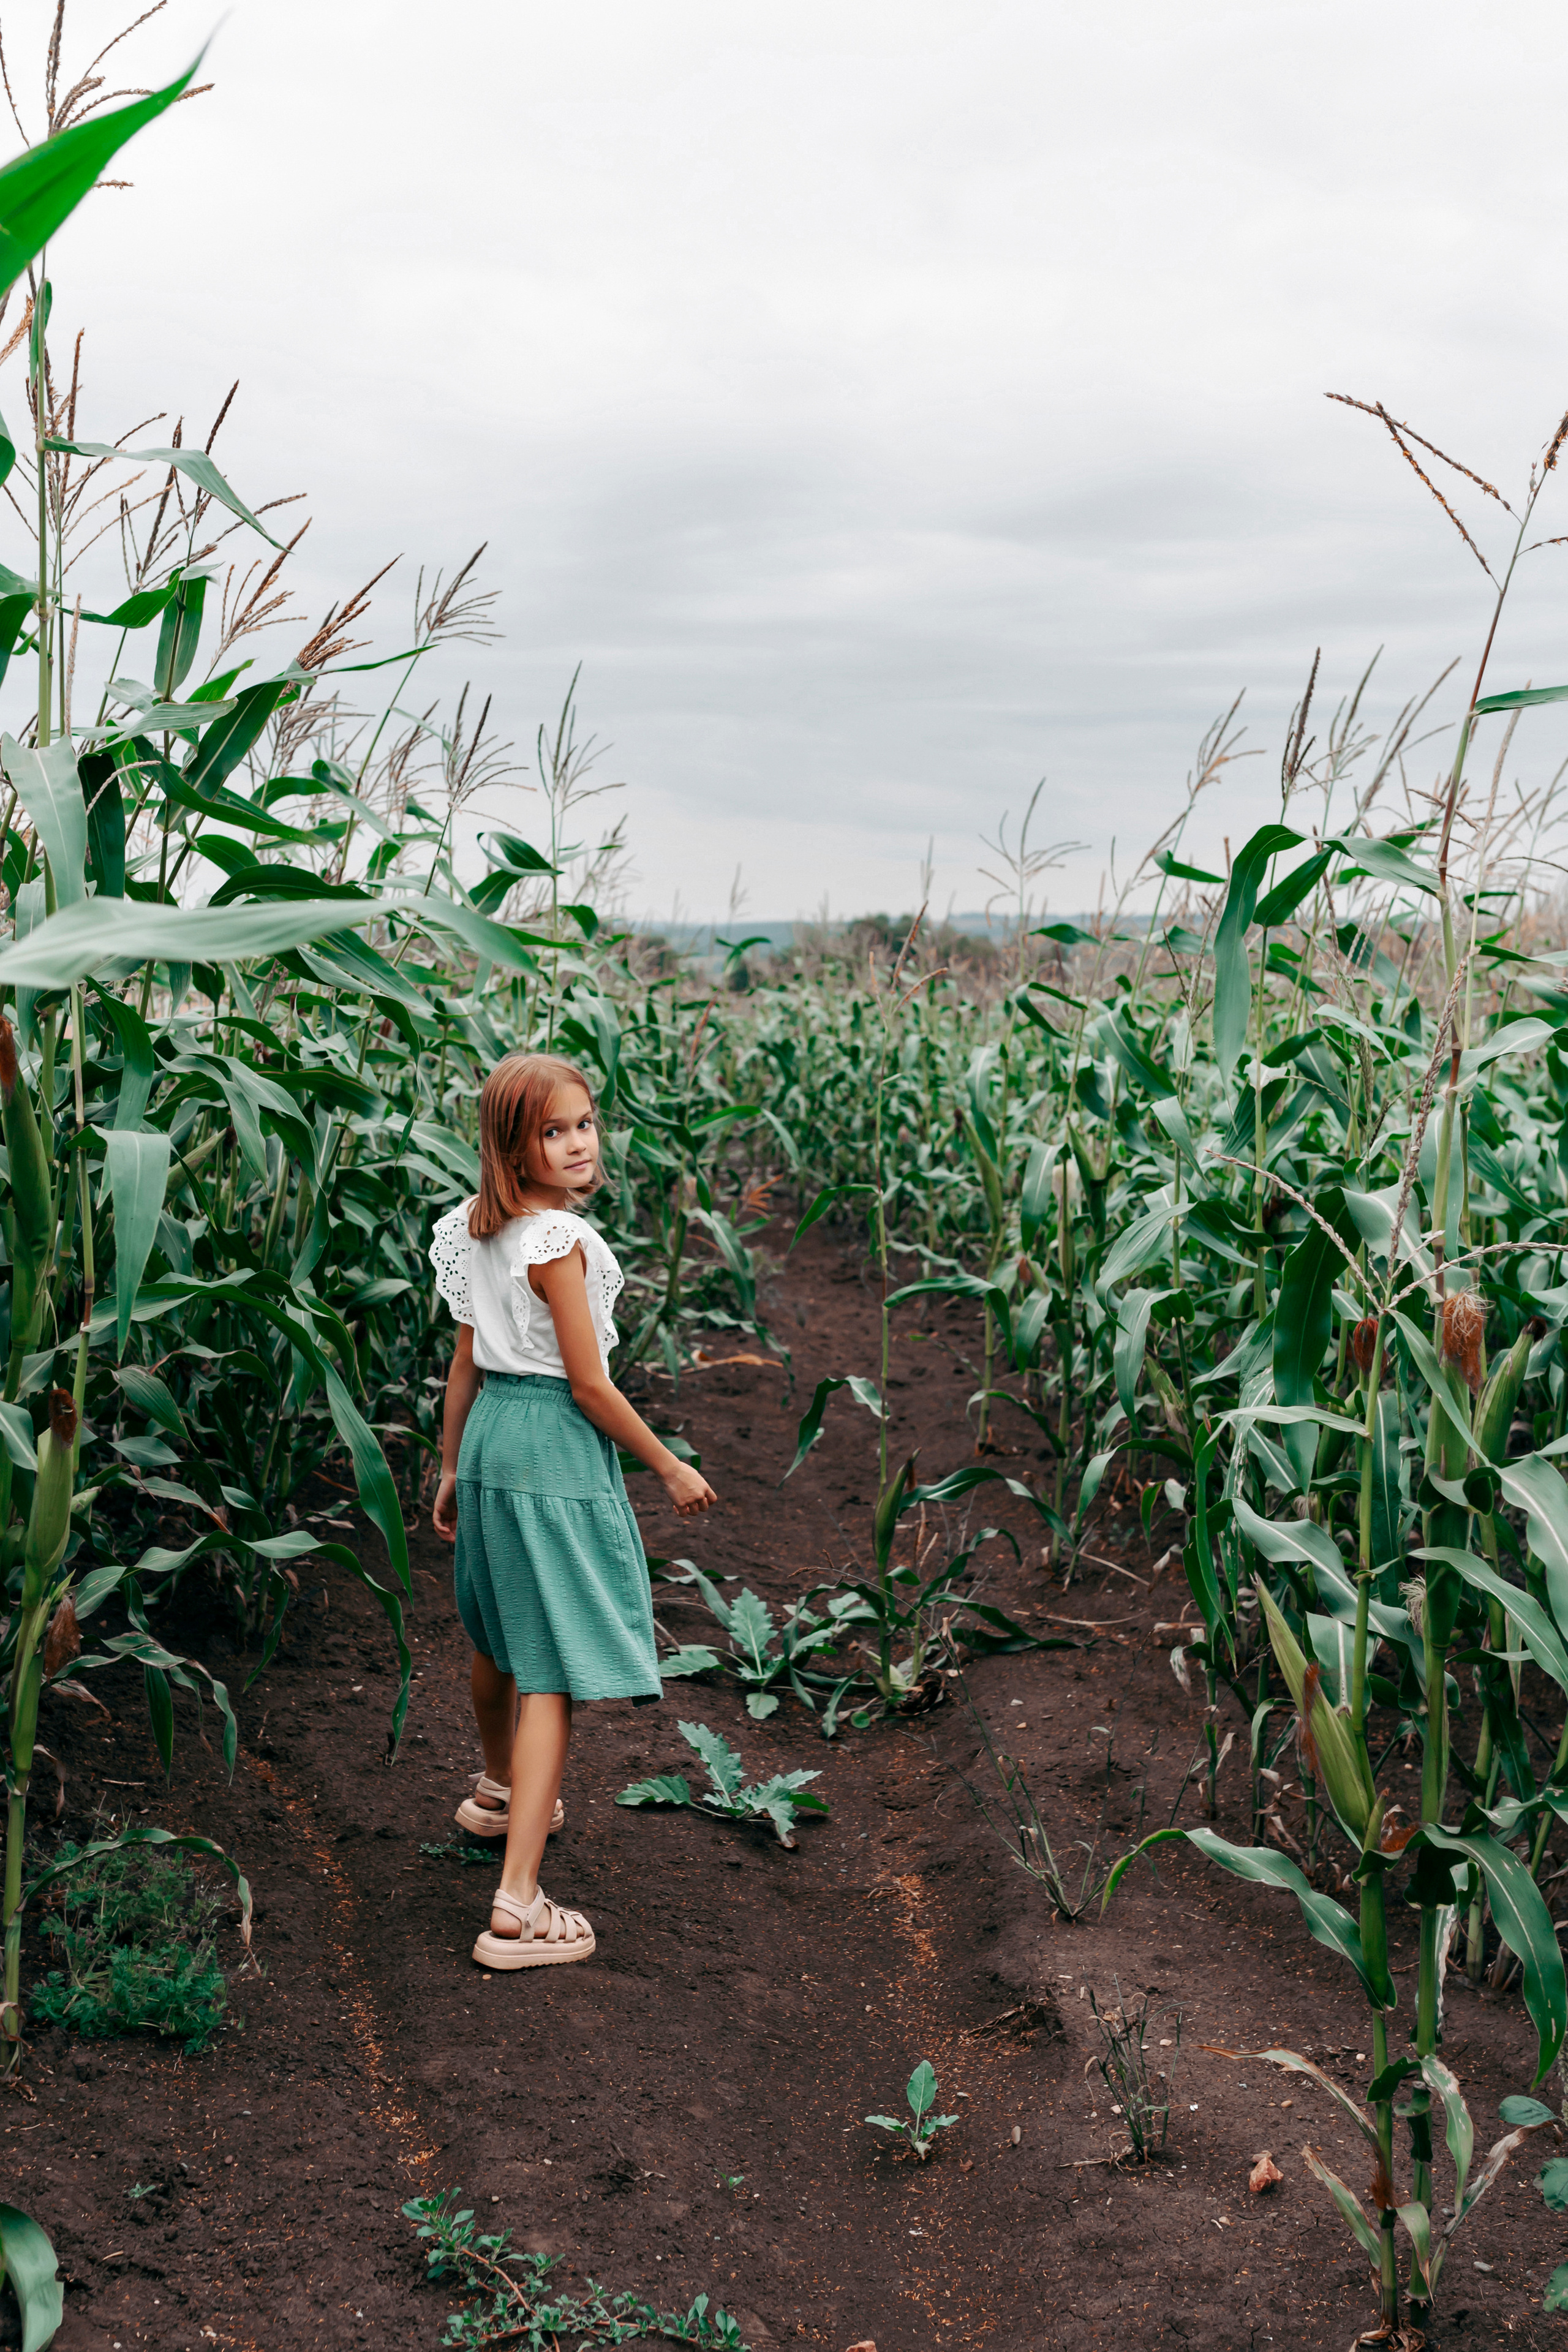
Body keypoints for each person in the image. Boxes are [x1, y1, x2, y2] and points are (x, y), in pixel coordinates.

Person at [429, 1050, 717, 1970]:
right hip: (549, 1438)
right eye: (552, 1133)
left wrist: (448, 1466)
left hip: (490, 1441)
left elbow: (467, 1366)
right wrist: (667, 1465)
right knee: (550, 1666)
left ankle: (498, 1787)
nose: (577, 1144)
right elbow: (589, 1386)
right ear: (513, 1148)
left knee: (496, 1632)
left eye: (584, 1123)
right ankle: (516, 1907)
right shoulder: (559, 1243)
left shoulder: (476, 1230)